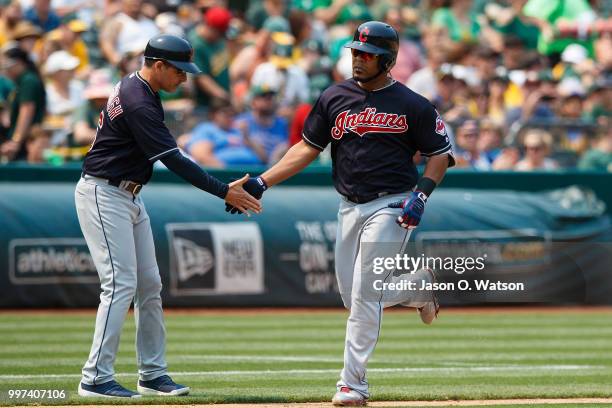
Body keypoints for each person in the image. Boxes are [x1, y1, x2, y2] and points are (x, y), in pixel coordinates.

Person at [226, 22, 453, 406]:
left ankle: (353, 384)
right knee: (353, 297)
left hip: (393, 204)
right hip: (349, 205)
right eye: (355, 53)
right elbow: (306, 147)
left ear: (389, 59)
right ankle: (416, 287)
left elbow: (440, 155)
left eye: (367, 55)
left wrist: (422, 195)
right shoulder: (334, 97)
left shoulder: (412, 103)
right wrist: (262, 182)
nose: (359, 59)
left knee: (365, 293)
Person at [75, 34, 261, 398]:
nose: (185, 79)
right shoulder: (138, 99)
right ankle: (94, 377)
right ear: (158, 65)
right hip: (104, 191)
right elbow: (173, 160)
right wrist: (224, 190)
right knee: (120, 285)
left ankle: (152, 373)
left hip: (127, 193)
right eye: (180, 71)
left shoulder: (140, 87)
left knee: (150, 285)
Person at [0, 46, 46, 162]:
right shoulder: (22, 81)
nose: (6, 70)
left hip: (27, 144)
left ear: (19, 63)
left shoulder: (28, 80)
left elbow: (26, 110)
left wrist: (15, 142)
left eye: (7, 66)